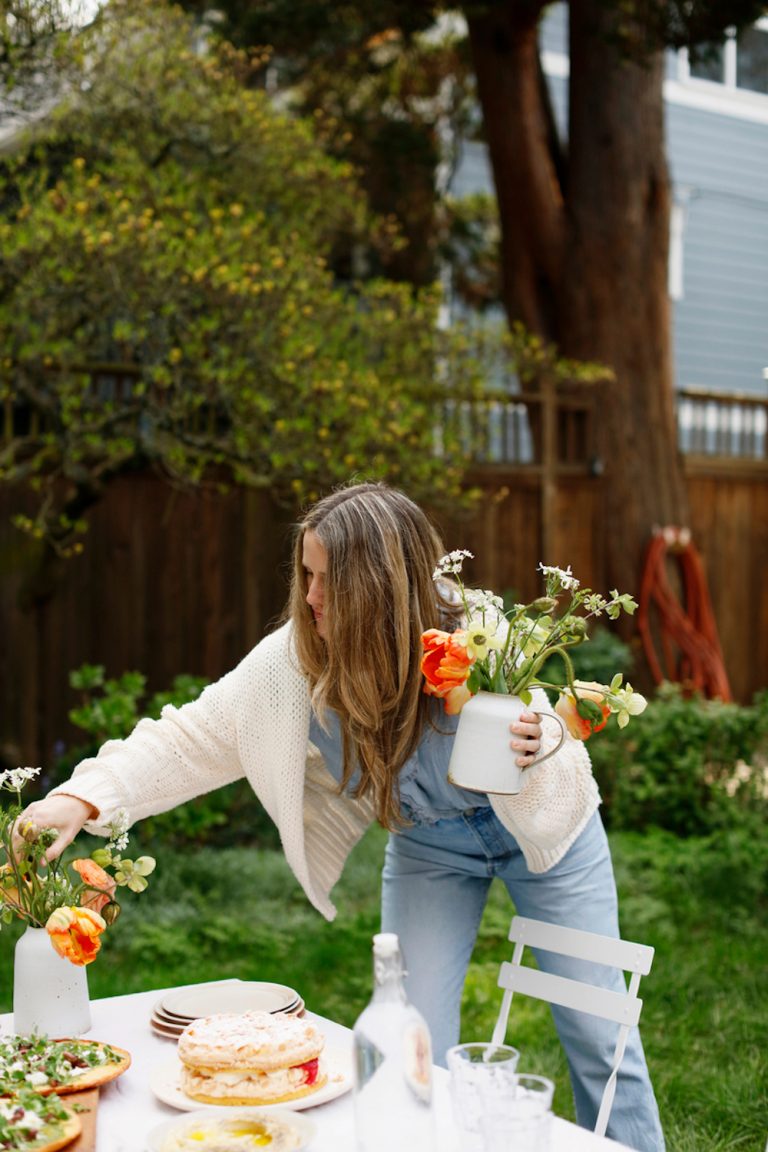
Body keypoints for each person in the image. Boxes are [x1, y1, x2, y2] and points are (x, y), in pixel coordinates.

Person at [19, 481, 664, 1151]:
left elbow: (555, 751)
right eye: (305, 575)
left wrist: (536, 749)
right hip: (429, 846)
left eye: (327, 581)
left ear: (378, 588)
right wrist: (81, 796)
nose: (311, 597)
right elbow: (192, 736)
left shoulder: (479, 635)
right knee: (412, 1036)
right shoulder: (293, 662)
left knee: (599, 1033)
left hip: (547, 839)